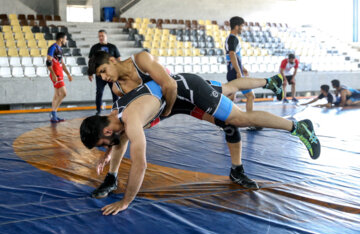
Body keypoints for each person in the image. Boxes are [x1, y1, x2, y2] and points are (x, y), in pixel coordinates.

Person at [81, 58, 320, 215]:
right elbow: (118, 138)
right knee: (228, 92)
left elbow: (140, 164)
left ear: (106, 130)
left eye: (104, 144)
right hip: (175, 103)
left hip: (186, 92)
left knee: (236, 119)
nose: (104, 77)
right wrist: (109, 154)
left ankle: (298, 127)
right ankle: (271, 83)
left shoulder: (132, 112)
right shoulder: (117, 107)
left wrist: (126, 202)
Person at [225, 17, 255, 112]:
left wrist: (242, 68)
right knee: (250, 96)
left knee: (230, 99)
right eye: (242, 26)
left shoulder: (230, 38)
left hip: (232, 71)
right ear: (237, 26)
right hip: (235, 72)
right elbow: (232, 54)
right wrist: (238, 71)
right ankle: (250, 121)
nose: (243, 28)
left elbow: (233, 57)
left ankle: (224, 122)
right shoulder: (233, 39)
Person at [88, 30, 121, 115]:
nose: (101, 38)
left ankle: (116, 109)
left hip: (111, 74)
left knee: (115, 92)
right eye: (99, 36)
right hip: (100, 75)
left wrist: (118, 71)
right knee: (99, 92)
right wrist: (90, 73)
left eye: (102, 36)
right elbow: (91, 61)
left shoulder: (112, 47)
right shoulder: (94, 47)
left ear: (106, 36)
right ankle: (98, 110)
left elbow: (118, 59)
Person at [47, 32, 73, 123]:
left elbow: (62, 63)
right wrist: (53, 74)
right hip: (56, 74)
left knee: (57, 95)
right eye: (65, 38)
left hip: (59, 73)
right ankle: (53, 113)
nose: (66, 40)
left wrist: (68, 74)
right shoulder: (53, 47)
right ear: (61, 39)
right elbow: (48, 62)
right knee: (64, 93)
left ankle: (54, 115)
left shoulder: (60, 49)